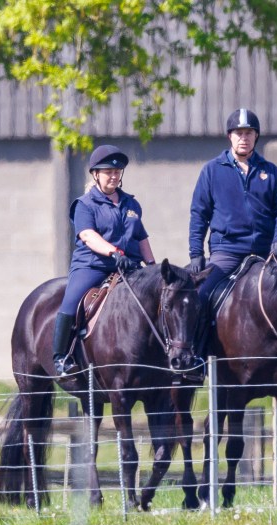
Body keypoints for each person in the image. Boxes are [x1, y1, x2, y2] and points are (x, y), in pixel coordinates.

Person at [188, 108, 277, 345]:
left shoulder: (270, 171)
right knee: (199, 295)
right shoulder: (212, 171)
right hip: (227, 252)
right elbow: (199, 214)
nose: (243, 138)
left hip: (266, 253)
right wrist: (196, 253)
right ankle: (196, 357)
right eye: (239, 133)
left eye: (248, 133)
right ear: (230, 136)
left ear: (256, 136)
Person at [52, 144, 156, 376]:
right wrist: (114, 253)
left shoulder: (131, 204)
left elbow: (141, 236)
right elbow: (88, 236)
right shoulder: (84, 205)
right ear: (95, 174)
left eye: (117, 172)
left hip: (129, 267)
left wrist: (152, 267)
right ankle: (61, 356)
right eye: (108, 171)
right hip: (93, 266)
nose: (113, 176)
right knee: (71, 300)